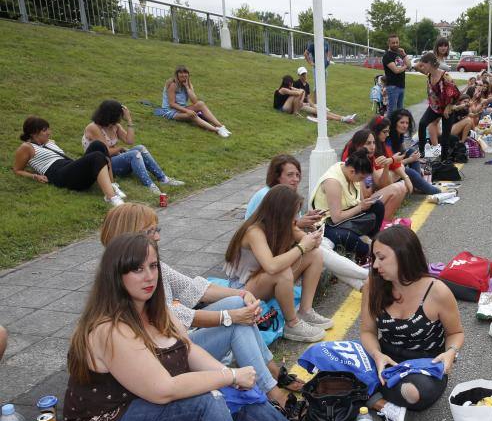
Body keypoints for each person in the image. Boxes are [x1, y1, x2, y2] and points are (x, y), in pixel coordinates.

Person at [64, 234, 368, 421]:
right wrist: (229, 375)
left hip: (144, 400)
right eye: (137, 269)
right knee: (207, 401)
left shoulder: (154, 309)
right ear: (115, 276)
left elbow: (190, 350)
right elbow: (163, 390)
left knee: (229, 392)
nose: (149, 276)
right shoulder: (109, 327)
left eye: (154, 266)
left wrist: (233, 381)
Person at [98, 203, 300, 406]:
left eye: (157, 229)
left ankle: (270, 374)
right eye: (151, 231)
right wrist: (229, 317)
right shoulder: (127, 280)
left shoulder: (148, 266)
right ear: (129, 235)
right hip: (162, 361)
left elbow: (194, 288)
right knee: (236, 324)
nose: (158, 236)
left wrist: (242, 292)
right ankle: (272, 389)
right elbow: (171, 315)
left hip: (172, 345)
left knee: (238, 305)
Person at [360, 226, 465, 421]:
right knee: (334, 362)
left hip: (424, 363)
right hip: (385, 357)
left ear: (403, 256)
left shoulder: (437, 291)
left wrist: (450, 353)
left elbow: (456, 333)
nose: (376, 266)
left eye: (381, 258)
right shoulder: (373, 285)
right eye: (375, 258)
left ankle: (369, 395)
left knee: (415, 393)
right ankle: (383, 403)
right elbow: (367, 332)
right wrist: (376, 354)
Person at [224, 186, 333, 343]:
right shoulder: (254, 231)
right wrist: (302, 246)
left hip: (261, 281)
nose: (296, 218)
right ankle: (292, 324)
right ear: (281, 212)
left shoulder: (281, 225)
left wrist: (312, 239)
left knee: (315, 255)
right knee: (282, 272)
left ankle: (305, 311)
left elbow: (311, 247)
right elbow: (272, 266)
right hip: (242, 289)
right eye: (293, 213)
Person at [245, 155, 368, 291]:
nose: (296, 179)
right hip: (266, 254)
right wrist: (300, 225)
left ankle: (363, 285)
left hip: (278, 246)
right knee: (319, 250)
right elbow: (270, 230)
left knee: (321, 246)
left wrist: (305, 222)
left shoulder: (286, 195)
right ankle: (368, 276)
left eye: (298, 175)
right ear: (277, 176)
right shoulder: (268, 196)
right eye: (290, 175)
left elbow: (289, 226)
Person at [13, 116, 124, 207]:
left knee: (98, 145)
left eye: (48, 129)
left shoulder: (49, 142)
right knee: (97, 156)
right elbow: (17, 170)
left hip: (68, 167)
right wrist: (34, 176)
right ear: (33, 133)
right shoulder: (26, 147)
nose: (49, 132)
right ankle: (111, 197)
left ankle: (112, 185)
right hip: (58, 174)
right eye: (45, 130)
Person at [83, 100, 184, 195]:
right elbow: (106, 152)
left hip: (114, 159)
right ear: (111, 115)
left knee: (140, 147)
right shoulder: (94, 128)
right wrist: (120, 148)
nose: (120, 117)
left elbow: (129, 141)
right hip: (103, 165)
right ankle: (150, 185)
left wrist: (129, 120)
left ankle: (163, 179)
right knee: (134, 154)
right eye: (119, 115)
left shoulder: (114, 126)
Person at [311, 149, 385, 260]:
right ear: (352, 171)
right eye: (361, 178)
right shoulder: (333, 182)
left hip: (347, 214)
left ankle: (372, 241)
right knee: (347, 237)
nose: (362, 181)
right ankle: (369, 251)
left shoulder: (349, 170)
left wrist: (363, 204)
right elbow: (336, 218)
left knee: (378, 206)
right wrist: (360, 207)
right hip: (328, 223)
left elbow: (359, 201)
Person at [154, 65, 230, 137]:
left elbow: (195, 101)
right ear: (177, 75)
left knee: (201, 104)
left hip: (181, 109)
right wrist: (187, 111)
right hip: (170, 112)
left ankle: (221, 126)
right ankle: (216, 130)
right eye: (181, 73)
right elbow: (172, 104)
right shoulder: (173, 85)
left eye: (185, 72)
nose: (183, 75)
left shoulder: (188, 84)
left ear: (188, 74)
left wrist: (187, 87)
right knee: (191, 115)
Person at [386, 109, 443, 195]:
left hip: (397, 164)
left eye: (407, 123)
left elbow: (404, 152)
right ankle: (430, 189)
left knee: (412, 151)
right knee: (410, 171)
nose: (405, 126)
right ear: (394, 123)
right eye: (402, 123)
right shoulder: (388, 139)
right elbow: (391, 163)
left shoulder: (399, 134)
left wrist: (415, 158)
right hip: (390, 168)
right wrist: (410, 160)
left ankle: (418, 184)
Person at [417, 52, 462, 156]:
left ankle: (444, 160)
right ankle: (421, 152)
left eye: (423, 65)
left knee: (445, 137)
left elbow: (456, 94)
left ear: (429, 64)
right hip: (435, 107)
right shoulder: (429, 74)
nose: (422, 68)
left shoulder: (445, 76)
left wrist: (449, 106)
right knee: (422, 123)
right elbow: (416, 66)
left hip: (447, 109)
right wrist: (421, 62)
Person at [382, 34, 412, 115]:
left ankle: (396, 127)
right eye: (393, 43)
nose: (395, 44)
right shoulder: (387, 56)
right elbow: (396, 70)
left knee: (400, 113)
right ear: (389, 43)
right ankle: (388, 127)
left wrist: (404, 54)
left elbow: (409, 65)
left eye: (397, 42)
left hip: (401, 86)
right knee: (392, 112)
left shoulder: (399, 54)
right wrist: (405, 66)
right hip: (392, 87)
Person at [303, 40, 332, 104]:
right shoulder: (313, 44)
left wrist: (328, 61)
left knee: (323, 86)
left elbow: (328, 52)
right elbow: (305, 53)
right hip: (317, 68)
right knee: (317, 86)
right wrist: (311, 63)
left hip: (324, 68)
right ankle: (315, 105)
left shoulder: (325, 43)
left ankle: (322, 104)